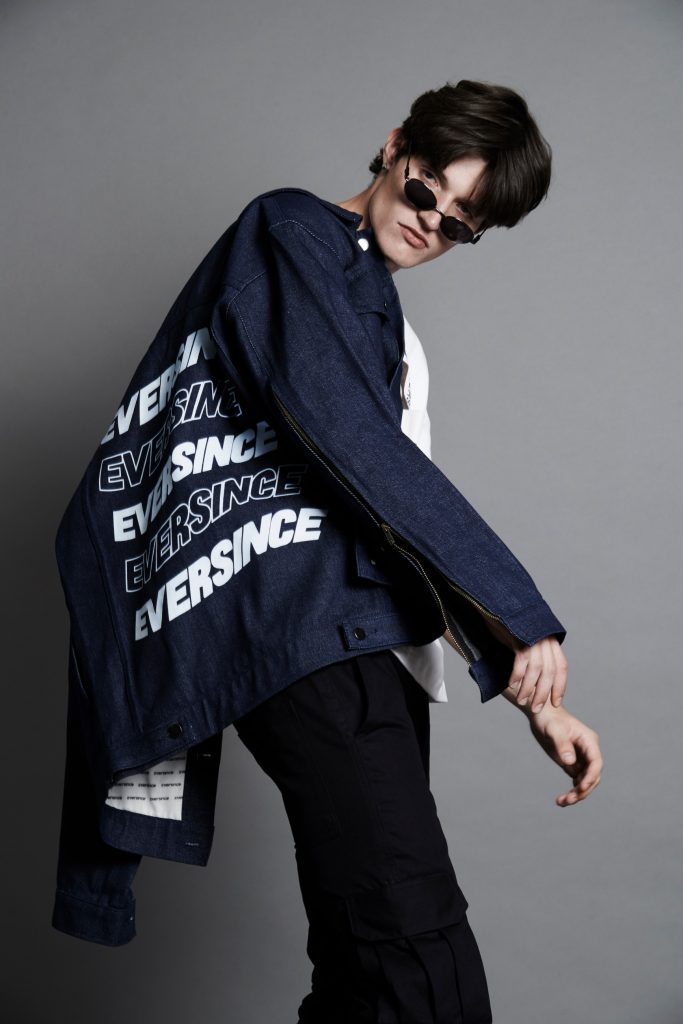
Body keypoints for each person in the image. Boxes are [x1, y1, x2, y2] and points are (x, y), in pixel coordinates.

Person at [51, 79, 603, 1024]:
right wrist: (519, 617)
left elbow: (388, 516)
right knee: (417, 966)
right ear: (393, 146)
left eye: (460, 225)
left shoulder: (386, 323)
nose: (430, 222)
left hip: (367, 649)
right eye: (426, 189)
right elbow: (348, 439)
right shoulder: (293, 233)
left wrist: (532, 695)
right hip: (313, 642)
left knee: (361, 968)